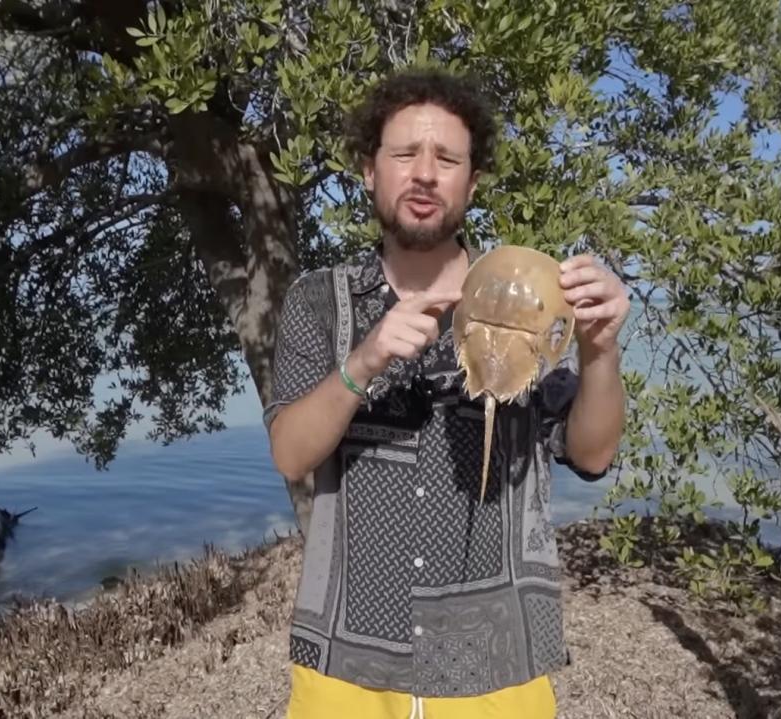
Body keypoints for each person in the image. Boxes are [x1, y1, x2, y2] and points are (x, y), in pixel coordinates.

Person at [265, 67, 629, 719]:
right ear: (369, 170)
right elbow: (291, 455)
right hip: (349, 663)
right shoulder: (319, 302)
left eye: (446, 158)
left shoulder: (526, 291)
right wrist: (364, 360)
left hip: (497, 662)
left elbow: (592, 452)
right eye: (404, 153)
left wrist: (598, 346)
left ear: (473, 180)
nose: (424, 173)